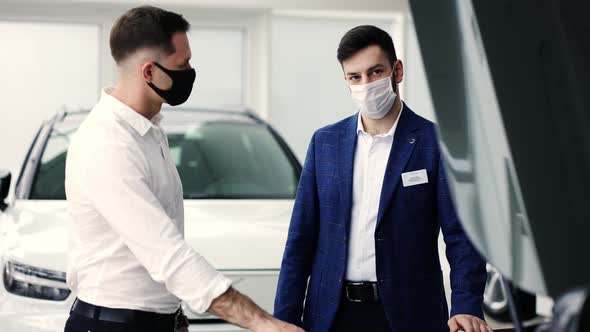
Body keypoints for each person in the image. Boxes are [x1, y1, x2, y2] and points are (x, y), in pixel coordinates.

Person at [64, 6, 303, 332]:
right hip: (113, 324)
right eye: (183, 64)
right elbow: (168, 255)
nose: (191, 71)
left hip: (160, 320)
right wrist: (264, 324)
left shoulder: (149, 131)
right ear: (149, 72)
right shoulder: (108, 144)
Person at [274, 25, 491, 332]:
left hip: (410, 314)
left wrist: (466, 305)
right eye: (355, 77)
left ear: (397, 70)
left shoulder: (437, 145)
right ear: (346, 81)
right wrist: (284, 318)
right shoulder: (325, 143)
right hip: (331, 316)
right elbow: (300, 239)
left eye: (375, 72)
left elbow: (462, 236)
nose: (366, 84)